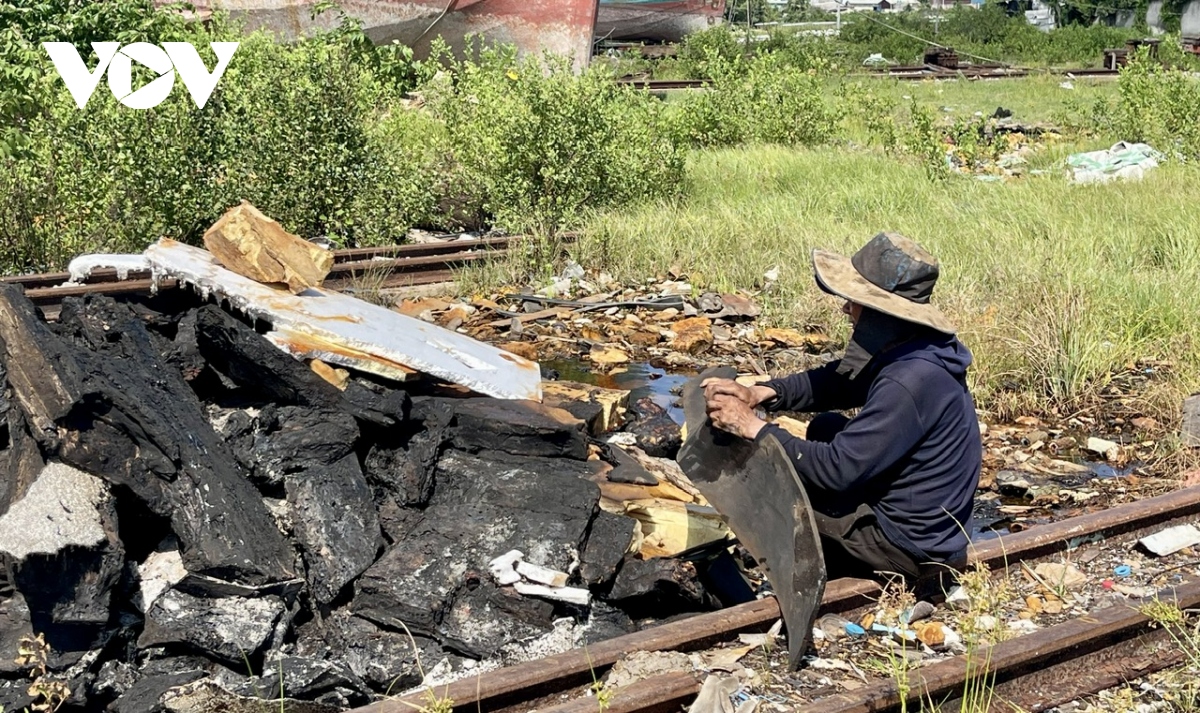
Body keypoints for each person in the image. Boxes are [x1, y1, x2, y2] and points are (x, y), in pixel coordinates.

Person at [701, 232, 981, 586]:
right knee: (826, 427)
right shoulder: (918, 348)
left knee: (771, 494)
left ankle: (790, 584)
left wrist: (752, 427)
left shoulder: (909, 380)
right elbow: (842, 381)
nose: (846, 308)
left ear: (882, 313)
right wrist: (762, 392)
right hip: (934, 530)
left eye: (853, 301)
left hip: (910, 550)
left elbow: (837, 470)